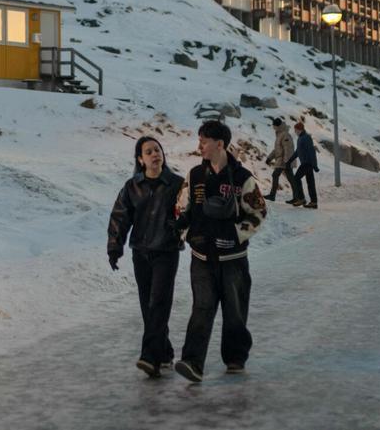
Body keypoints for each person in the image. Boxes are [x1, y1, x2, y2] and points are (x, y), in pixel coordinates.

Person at [172, 120, 267, 383]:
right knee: (201, 309)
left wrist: (236, 235)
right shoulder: (194, 176)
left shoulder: (243, 178)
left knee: (235, 311)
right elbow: (181, 210)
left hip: (234, 260)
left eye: (204, 141)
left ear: (220, 144)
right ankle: (192, 363)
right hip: (201, 258)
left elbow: (259, 211)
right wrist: (188, 236)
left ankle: (235, 358)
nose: (199, 146)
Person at [107, 135, 187, 378]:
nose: (155, 154)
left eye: (158, 150)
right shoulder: (132, 187)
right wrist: (114, 246)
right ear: (140, 159)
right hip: (141, 253)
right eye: (149, 151)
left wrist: (180, 226)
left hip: (166, 250)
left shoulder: (177, 184)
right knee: (147, 305)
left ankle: (149, 357)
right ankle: (164, 351)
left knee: (159, 303)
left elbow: (188, 213)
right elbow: (120, 217)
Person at [286, 121, 319, 209]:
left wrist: (314, 165)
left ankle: (302, 199)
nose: (295, 131)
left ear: (300, 129)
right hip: (306, 163)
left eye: (296, 130)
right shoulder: (300, 138)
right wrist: (290, 160)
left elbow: (311, 151)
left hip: (307, 163)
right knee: (310, 182)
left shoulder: (306, 137)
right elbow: (298, 151)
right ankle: (313, 202)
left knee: (296, 178)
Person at [264, 117, 295, 202]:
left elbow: (287, 149)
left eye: (273, 126)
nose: (273, 127)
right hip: (282, 160)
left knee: (280, 176)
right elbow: (277, 149)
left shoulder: (284, 134)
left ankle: (272, 195)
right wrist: (269, 158)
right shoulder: (279, 134)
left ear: (277, 126)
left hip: (284, 161)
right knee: (290, 178)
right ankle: (297, 196)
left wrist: (286, 161)